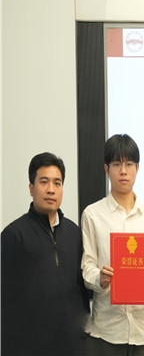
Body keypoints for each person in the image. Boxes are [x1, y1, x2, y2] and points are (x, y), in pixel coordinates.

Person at [81, 134, 144, 355]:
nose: (123, 171)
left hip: (143, 329)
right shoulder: (92, 215)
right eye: (116, 164)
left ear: (137, 168)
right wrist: (99, 277)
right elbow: (87, 266)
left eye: (129, 164)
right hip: (107, 328)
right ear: (106, 169)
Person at [1, 152, 89, 355]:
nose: (51, 189)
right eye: (44, 182)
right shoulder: (13, 235)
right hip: (29, 346)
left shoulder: (74, 233)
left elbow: (81, 291)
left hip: (71, 345)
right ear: (31, 188)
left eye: (57, 183)